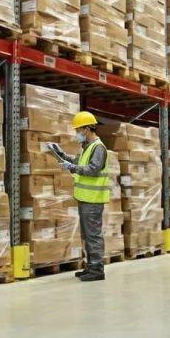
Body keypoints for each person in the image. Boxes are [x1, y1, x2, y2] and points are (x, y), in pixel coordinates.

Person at [49, 111, 109, 282]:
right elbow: (78, 162)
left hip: (93, 198)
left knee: (93, 235)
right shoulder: (87, 147)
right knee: (87, 234)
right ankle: (90, 266)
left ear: (87, 129)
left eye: (78, 129)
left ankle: (97, 269)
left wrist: (72, 168)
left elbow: (92, 169)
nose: (77, 133)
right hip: (85, 198)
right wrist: (61, 155)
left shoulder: (98, 147)